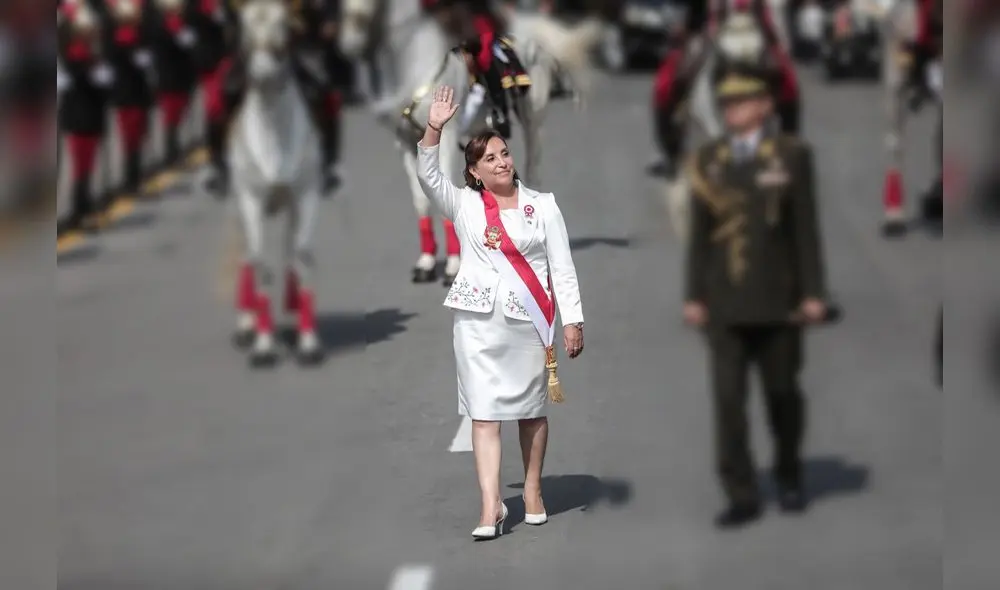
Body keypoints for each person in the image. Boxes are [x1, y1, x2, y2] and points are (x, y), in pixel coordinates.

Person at [416, 85, 585, 539]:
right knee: (484, 414)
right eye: (489, 158)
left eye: (504, 153)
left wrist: (573, 320)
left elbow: (562, 267)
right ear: (473, 172)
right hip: (476, 325)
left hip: (528, 322)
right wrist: (434, 127)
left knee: (530, 412)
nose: (502, 161)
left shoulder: (543, 206)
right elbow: (429, 177)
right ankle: (491, 506)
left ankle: (531, 492)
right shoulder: (465, 205)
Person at [683, 64, 828, 529]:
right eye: (726, 104)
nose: (732, 111)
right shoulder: (709, 161)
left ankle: (788, 474)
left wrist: (813, 292)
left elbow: (805, 229)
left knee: (782, 394)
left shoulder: (790, 156)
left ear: (765, 106)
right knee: (728, 403)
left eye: (742, 102)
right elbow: (699, 236)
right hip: (725, 303)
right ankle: (740, 492)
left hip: (778, 300)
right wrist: (694, 294)